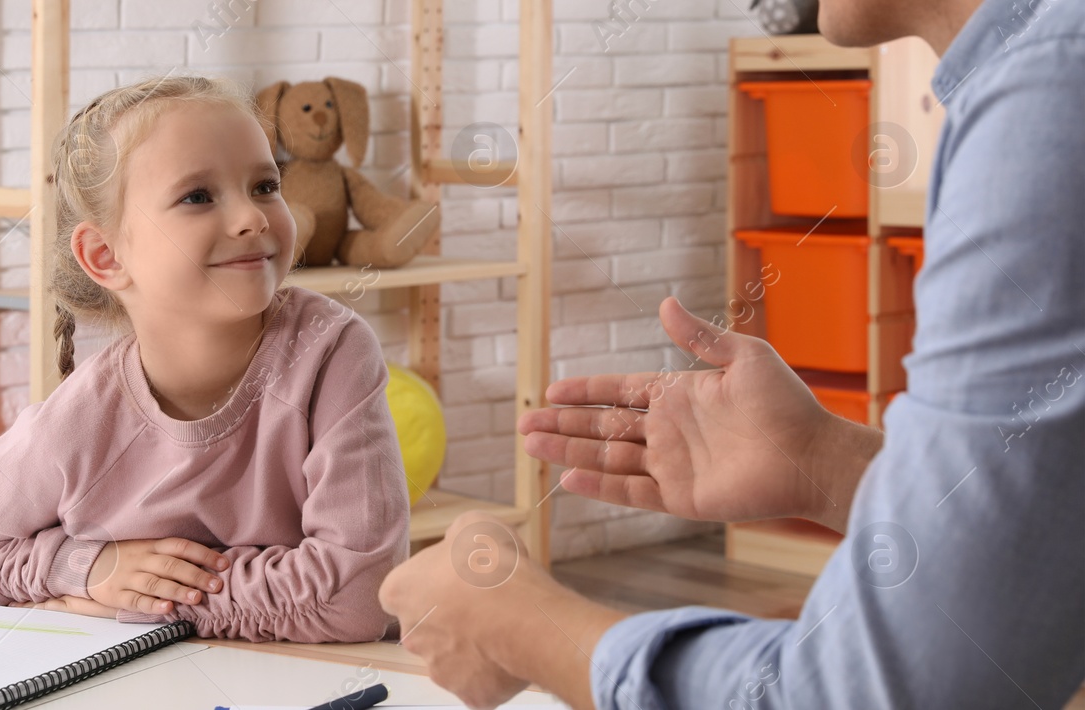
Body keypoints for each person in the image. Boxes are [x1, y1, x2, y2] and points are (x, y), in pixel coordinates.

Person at [379, 0, 1085, 707]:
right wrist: (820, 460)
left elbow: (885, 691)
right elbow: (1045, 554)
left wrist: (522, 628)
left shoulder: (1048, 90)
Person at [0, 76, 410, 643]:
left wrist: (160, 601)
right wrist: (85, 568)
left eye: (266, 185)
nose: (252, 217)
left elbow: (359, 595)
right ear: (105, 256)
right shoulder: (79, 418)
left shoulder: (331, 350)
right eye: (198, 196)